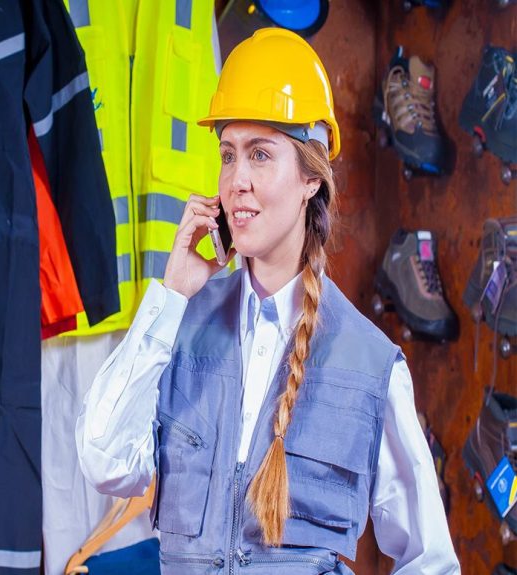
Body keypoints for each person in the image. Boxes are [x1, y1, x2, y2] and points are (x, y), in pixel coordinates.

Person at [76, 28, 460, 574]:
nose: (237, 180)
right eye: (227, 155)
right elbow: (104, 462)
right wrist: (172, 296)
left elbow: (431, 561)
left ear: (311, 178)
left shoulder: (370, 365)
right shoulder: (177, 328)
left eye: (260, 155)